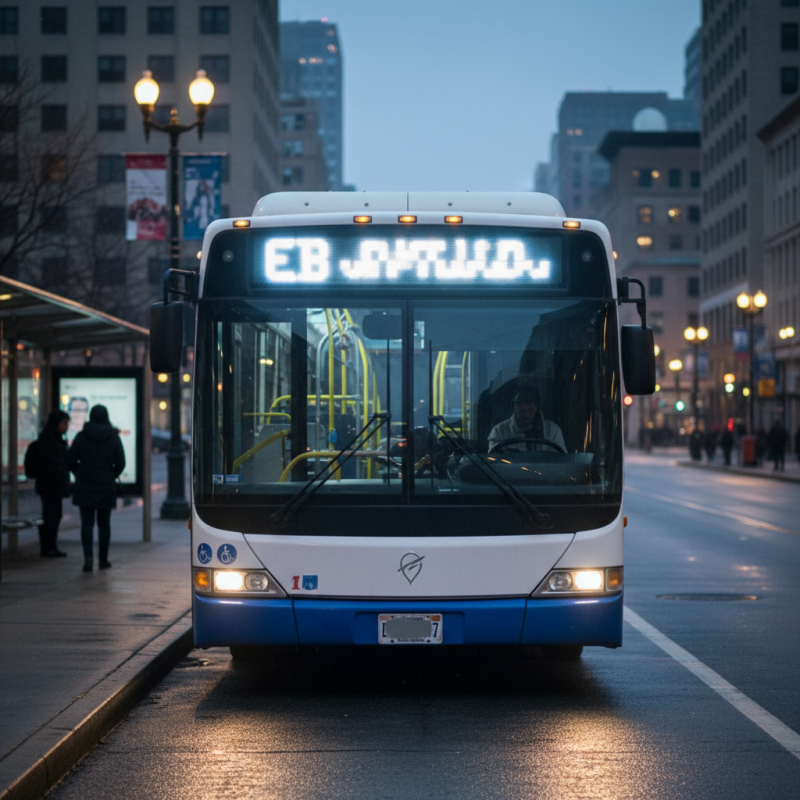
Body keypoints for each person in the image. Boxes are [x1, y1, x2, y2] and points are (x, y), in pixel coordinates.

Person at [68, 405, 125, 572]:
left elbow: (71, 460)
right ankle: (103, 559)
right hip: (105, 485)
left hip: (85, 485)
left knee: (86, 524)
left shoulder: (81, 437)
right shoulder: (113, 437)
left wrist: (79, 473)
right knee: (104, 524)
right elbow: (121, 463)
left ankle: (88, 559)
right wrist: (110, 474)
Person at [35, 409, 71, 558]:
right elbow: (51, 462)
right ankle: (48, 547)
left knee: (54, 515)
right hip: (50, 485)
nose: (66, 426)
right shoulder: (49, 439)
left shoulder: (55, 438)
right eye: (64, 423)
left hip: (53, 485)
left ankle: (51, 546)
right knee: (51, 516)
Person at [488, 387, 566, 453]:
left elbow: (561, 461)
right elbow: (493, 461)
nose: (526, 415)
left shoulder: (553, 431)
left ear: (536, 408)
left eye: (530, 411)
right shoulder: (499, 431)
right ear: (514, 408)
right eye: (522, 411)